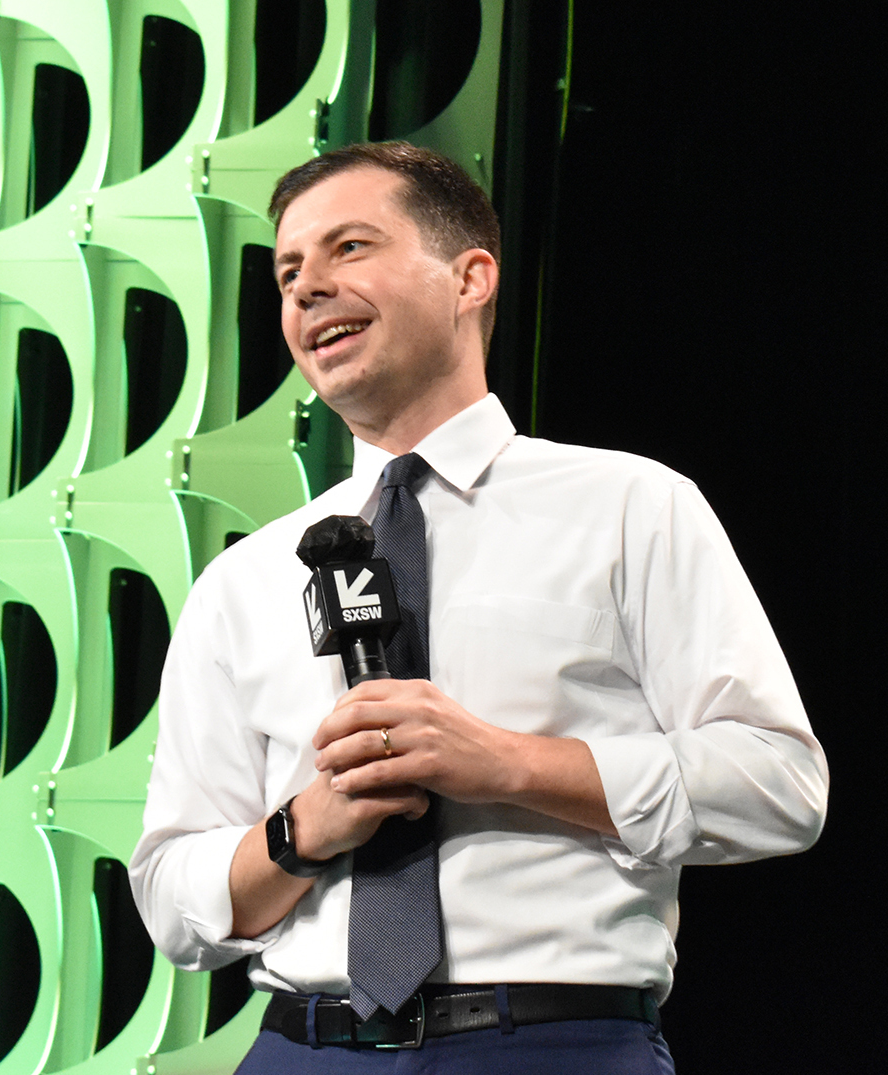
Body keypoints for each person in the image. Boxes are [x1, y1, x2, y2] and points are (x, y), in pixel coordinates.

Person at [129, 141, 829, 1073]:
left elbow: (778, 785)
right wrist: (305, 829)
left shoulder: (629, 505)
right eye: (289, 271)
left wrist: (506, 762)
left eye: (348, 248)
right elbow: (172, 899)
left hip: (553, 1042)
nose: (305, 290)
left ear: (470, 277)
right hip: (304, 1047)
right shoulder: (243, 580)